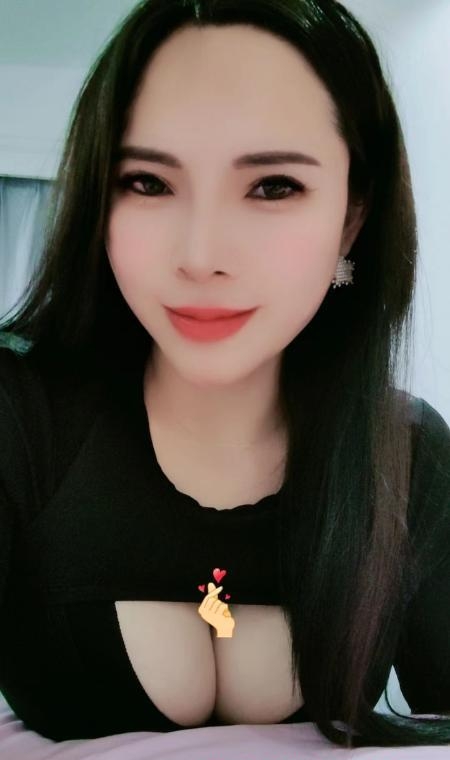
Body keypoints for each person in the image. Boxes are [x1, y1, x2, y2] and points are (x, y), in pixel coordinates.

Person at [0, 0, 449, 749]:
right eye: (148, 182)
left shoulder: (406, 452)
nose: (201, 255)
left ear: (351, 219)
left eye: (273, 186)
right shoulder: (20, 416)